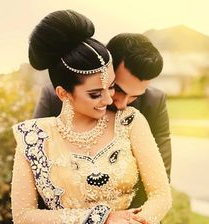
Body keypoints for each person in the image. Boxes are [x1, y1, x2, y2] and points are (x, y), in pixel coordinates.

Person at [11, 9, 172, 224]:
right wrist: (101, 219)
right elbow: (23, 215)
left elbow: (161, 194)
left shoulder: (131, 121)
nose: (108, 100)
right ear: (62, 94)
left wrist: (133, 221)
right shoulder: (32, 136)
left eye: (112, 87)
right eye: (95, 94)